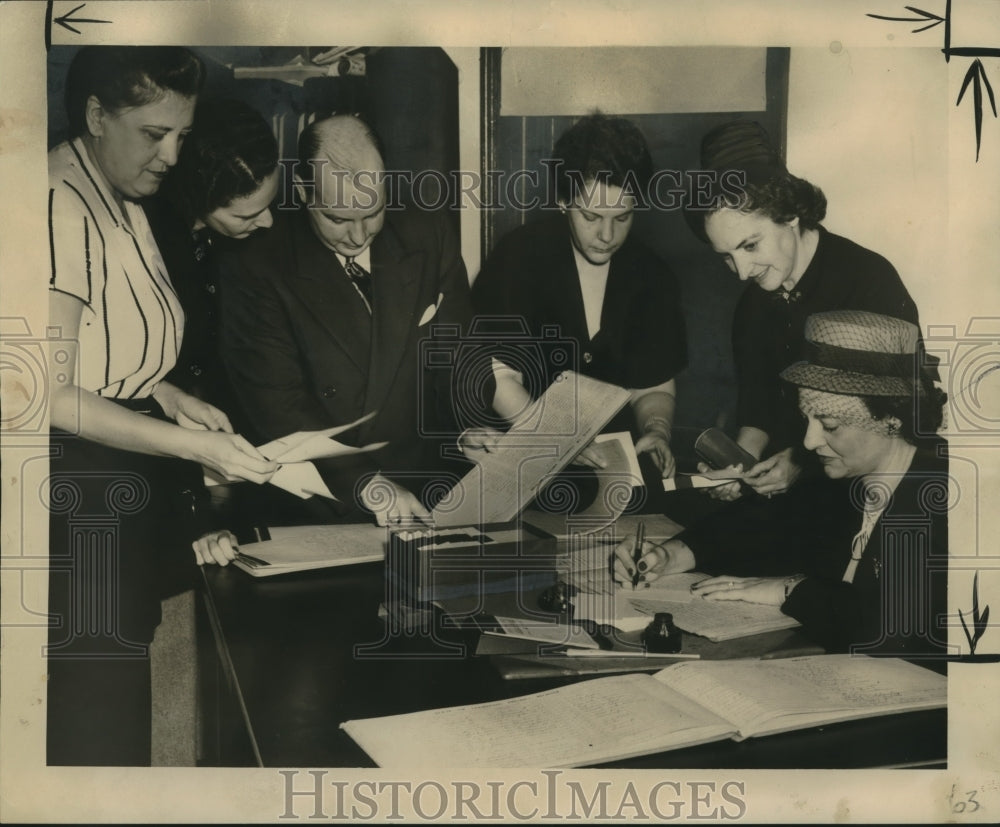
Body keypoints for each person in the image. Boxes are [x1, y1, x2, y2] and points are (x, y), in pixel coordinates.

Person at [47, 46, 278, 765]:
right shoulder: (58, 201)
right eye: (155, 134)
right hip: (77, 496)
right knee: (100, 728)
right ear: (95, 116)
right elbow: (45, 393)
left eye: (181, 135)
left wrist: (170, 394)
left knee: (122, 713)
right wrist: (194, 446)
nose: (173, 155)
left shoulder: (124, 191)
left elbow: (112, 349)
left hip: (123, 482)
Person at [615, 310, 949, 662]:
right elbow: (757, 524)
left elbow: (902, 630)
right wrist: (670, 555)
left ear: (891, 421)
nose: (808, 441)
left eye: (830, 425)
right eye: (807, 420)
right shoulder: (842, 479)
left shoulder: (948, 497)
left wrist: (791, 590)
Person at [218, 114, 475, 526]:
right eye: (338, 219)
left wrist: (471, 425)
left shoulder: (428, 234)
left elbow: (457, 353)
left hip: (426, 489)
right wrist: (365, 483)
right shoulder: (256, 265)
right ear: (303, 192)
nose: (359, 236)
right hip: (318, 500)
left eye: (372, 212)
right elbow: (277, 406)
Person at [685, 120, 924, 501]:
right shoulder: (752, 304)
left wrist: (799, 460)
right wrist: (738, 463)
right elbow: (758, 407)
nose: (742, 272)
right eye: (726, 258)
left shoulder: (866, 279)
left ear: (790, 215)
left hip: (868, 490)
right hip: (791, 495)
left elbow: (892, 418)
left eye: (750, 246)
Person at [472, 113, 686, 485]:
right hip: (522, 456)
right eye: (591, 216)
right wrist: (555, 440)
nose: (607, 235)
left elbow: (652, 384)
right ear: (562, 201)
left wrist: (658, 429)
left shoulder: (652, 274)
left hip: (611, 470)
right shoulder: (517, 257)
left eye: (623, 217)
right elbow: (499, 376)